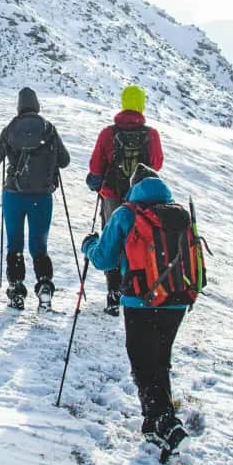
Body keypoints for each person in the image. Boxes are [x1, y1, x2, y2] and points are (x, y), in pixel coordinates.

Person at [81, 172, 191, 458]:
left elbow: (104, 258)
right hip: (177, 299)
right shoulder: (177, 214)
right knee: (159, 360)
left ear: (133, 187)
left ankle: (166, 423)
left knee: (142, 363)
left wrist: (88, 245)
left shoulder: (127, 213)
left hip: (141, 300)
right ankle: (156, 424)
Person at [0, 87, 71, 310]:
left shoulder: (11, 128)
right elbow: (64, 160)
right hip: (41, 197)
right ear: (37, 105)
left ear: (19, 107)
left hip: (14, 195)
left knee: (15, 244)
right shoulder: (49, 129)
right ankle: (44, 285)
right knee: (39, 245)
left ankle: (16, 289)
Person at [85, 85, 164, 314]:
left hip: (113, 195)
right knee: (140, 238)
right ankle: (138, 287)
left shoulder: (108, 133)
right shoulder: (151, 135)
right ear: (141, 105)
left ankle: (114, 292)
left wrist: (97, 182)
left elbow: (95, 167)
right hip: (143, 198)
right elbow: (156, 164)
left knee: (113, 240)